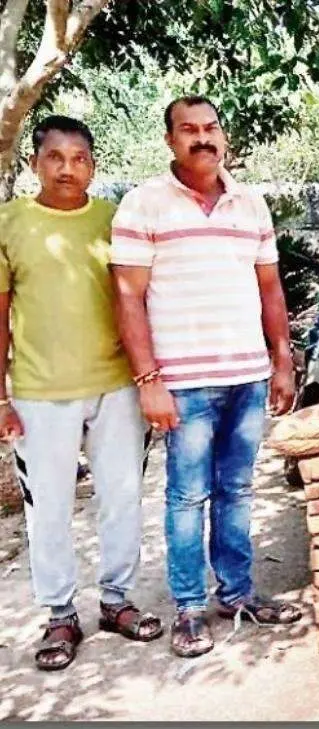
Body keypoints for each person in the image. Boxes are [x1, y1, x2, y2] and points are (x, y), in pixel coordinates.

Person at [109, 96, 300, 659]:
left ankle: (237, 594)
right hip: (184, 383)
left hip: (246, 376)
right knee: (187, 496)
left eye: (211, 127)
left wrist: (281, 360)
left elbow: (270, 288)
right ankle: (190, 608)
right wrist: (148, 379)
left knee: (236, 491)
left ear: (224, 136)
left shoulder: (251, 204)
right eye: (188, 130)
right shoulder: (143, 205)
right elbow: (127, 297)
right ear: (169, 140)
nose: (202, 138)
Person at [0, 116, 161, 671]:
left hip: (117, 387)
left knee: (122, 499)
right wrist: (1, 396)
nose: (67, 168)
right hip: (40, 394)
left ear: (93, 164)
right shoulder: (10, 223)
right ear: (34, 163)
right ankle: (60, 615)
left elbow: (140, 301)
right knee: (49, 508)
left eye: (79, 158)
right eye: (55, 157)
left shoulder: (114, 222)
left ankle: (116, 601)